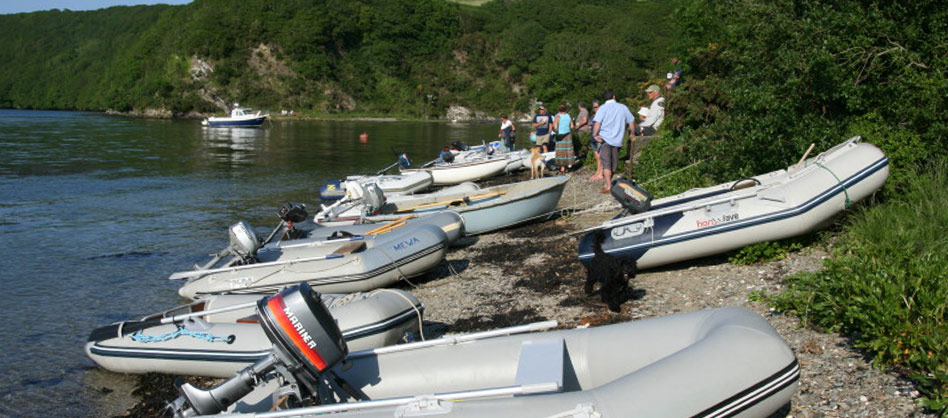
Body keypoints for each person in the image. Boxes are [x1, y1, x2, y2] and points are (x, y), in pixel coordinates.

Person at [592, 89, 635, 193]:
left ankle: (608, 185)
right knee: (614, 163)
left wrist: (595, 134)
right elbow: (631, 121)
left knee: (606, 163)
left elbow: (597, 123)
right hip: (617, 139)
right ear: (614, 96)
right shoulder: (623, 107)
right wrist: (632, 133)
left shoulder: (602, 108)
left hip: (605, 138)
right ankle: (608, 182)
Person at [553, 103, 575, 173]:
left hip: (560, 135)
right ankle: (568, 164)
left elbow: (555, 127)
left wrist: (554, 131)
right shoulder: (568, 116)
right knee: (568, 150)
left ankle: (562, 167)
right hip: (568, 135)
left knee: (561, 150)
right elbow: (572, 126)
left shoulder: (557, 116)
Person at [586, 101, 603, 180]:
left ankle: (600, 173)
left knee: (601, 157)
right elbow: (589, 126)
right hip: (593, 137)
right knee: (597, 157)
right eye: (594, 107)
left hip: (599, 137)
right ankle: (597, 172)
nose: (595, 109)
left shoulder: (603, 116)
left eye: (596, 107)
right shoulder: (592, 117)